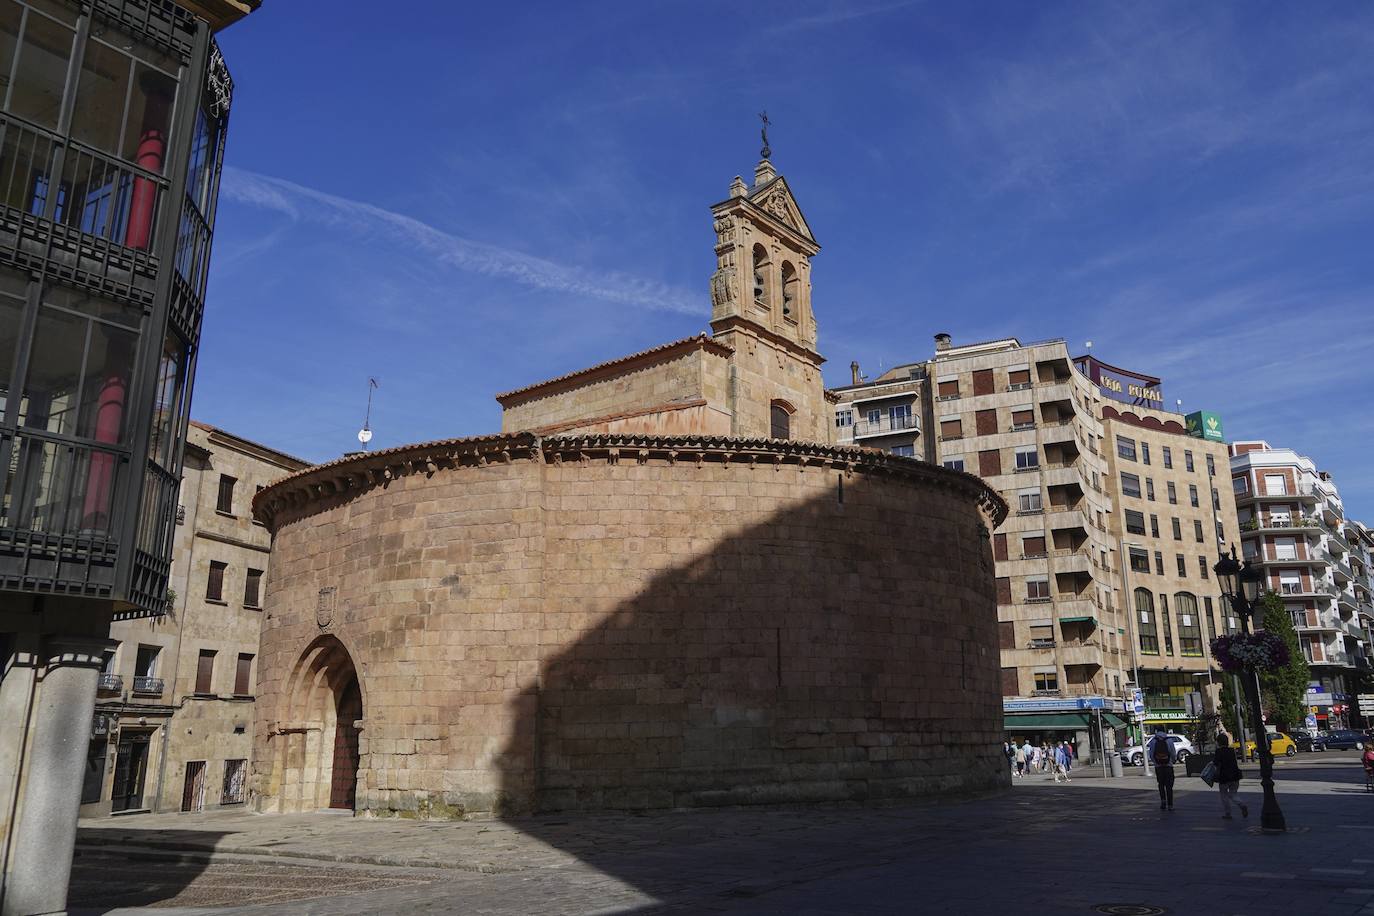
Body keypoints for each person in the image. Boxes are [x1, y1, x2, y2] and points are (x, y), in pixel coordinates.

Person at [1213, 733, 1248, 819]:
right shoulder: (1232, 751)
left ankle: (1228, 814)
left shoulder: (1219, 751)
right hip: (1235, 775)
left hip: (1224, 777)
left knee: (1224, 795)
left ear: (1219, 742)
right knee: (1233, 794)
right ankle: (1242, 804)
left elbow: (1216, 763)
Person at [1146, 726, 1176, 810]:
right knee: (1169, 786)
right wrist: (1172, 761)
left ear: (1156, 731)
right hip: (1168, 766)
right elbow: (1173, 753)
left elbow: (1151, 754)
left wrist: (1156, 762)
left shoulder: (1153, 741)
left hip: (1158, 767)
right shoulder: (1169, 740)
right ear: (1164, 731)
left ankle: (1163, 801)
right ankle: (1170, 805)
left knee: (1161, 784)